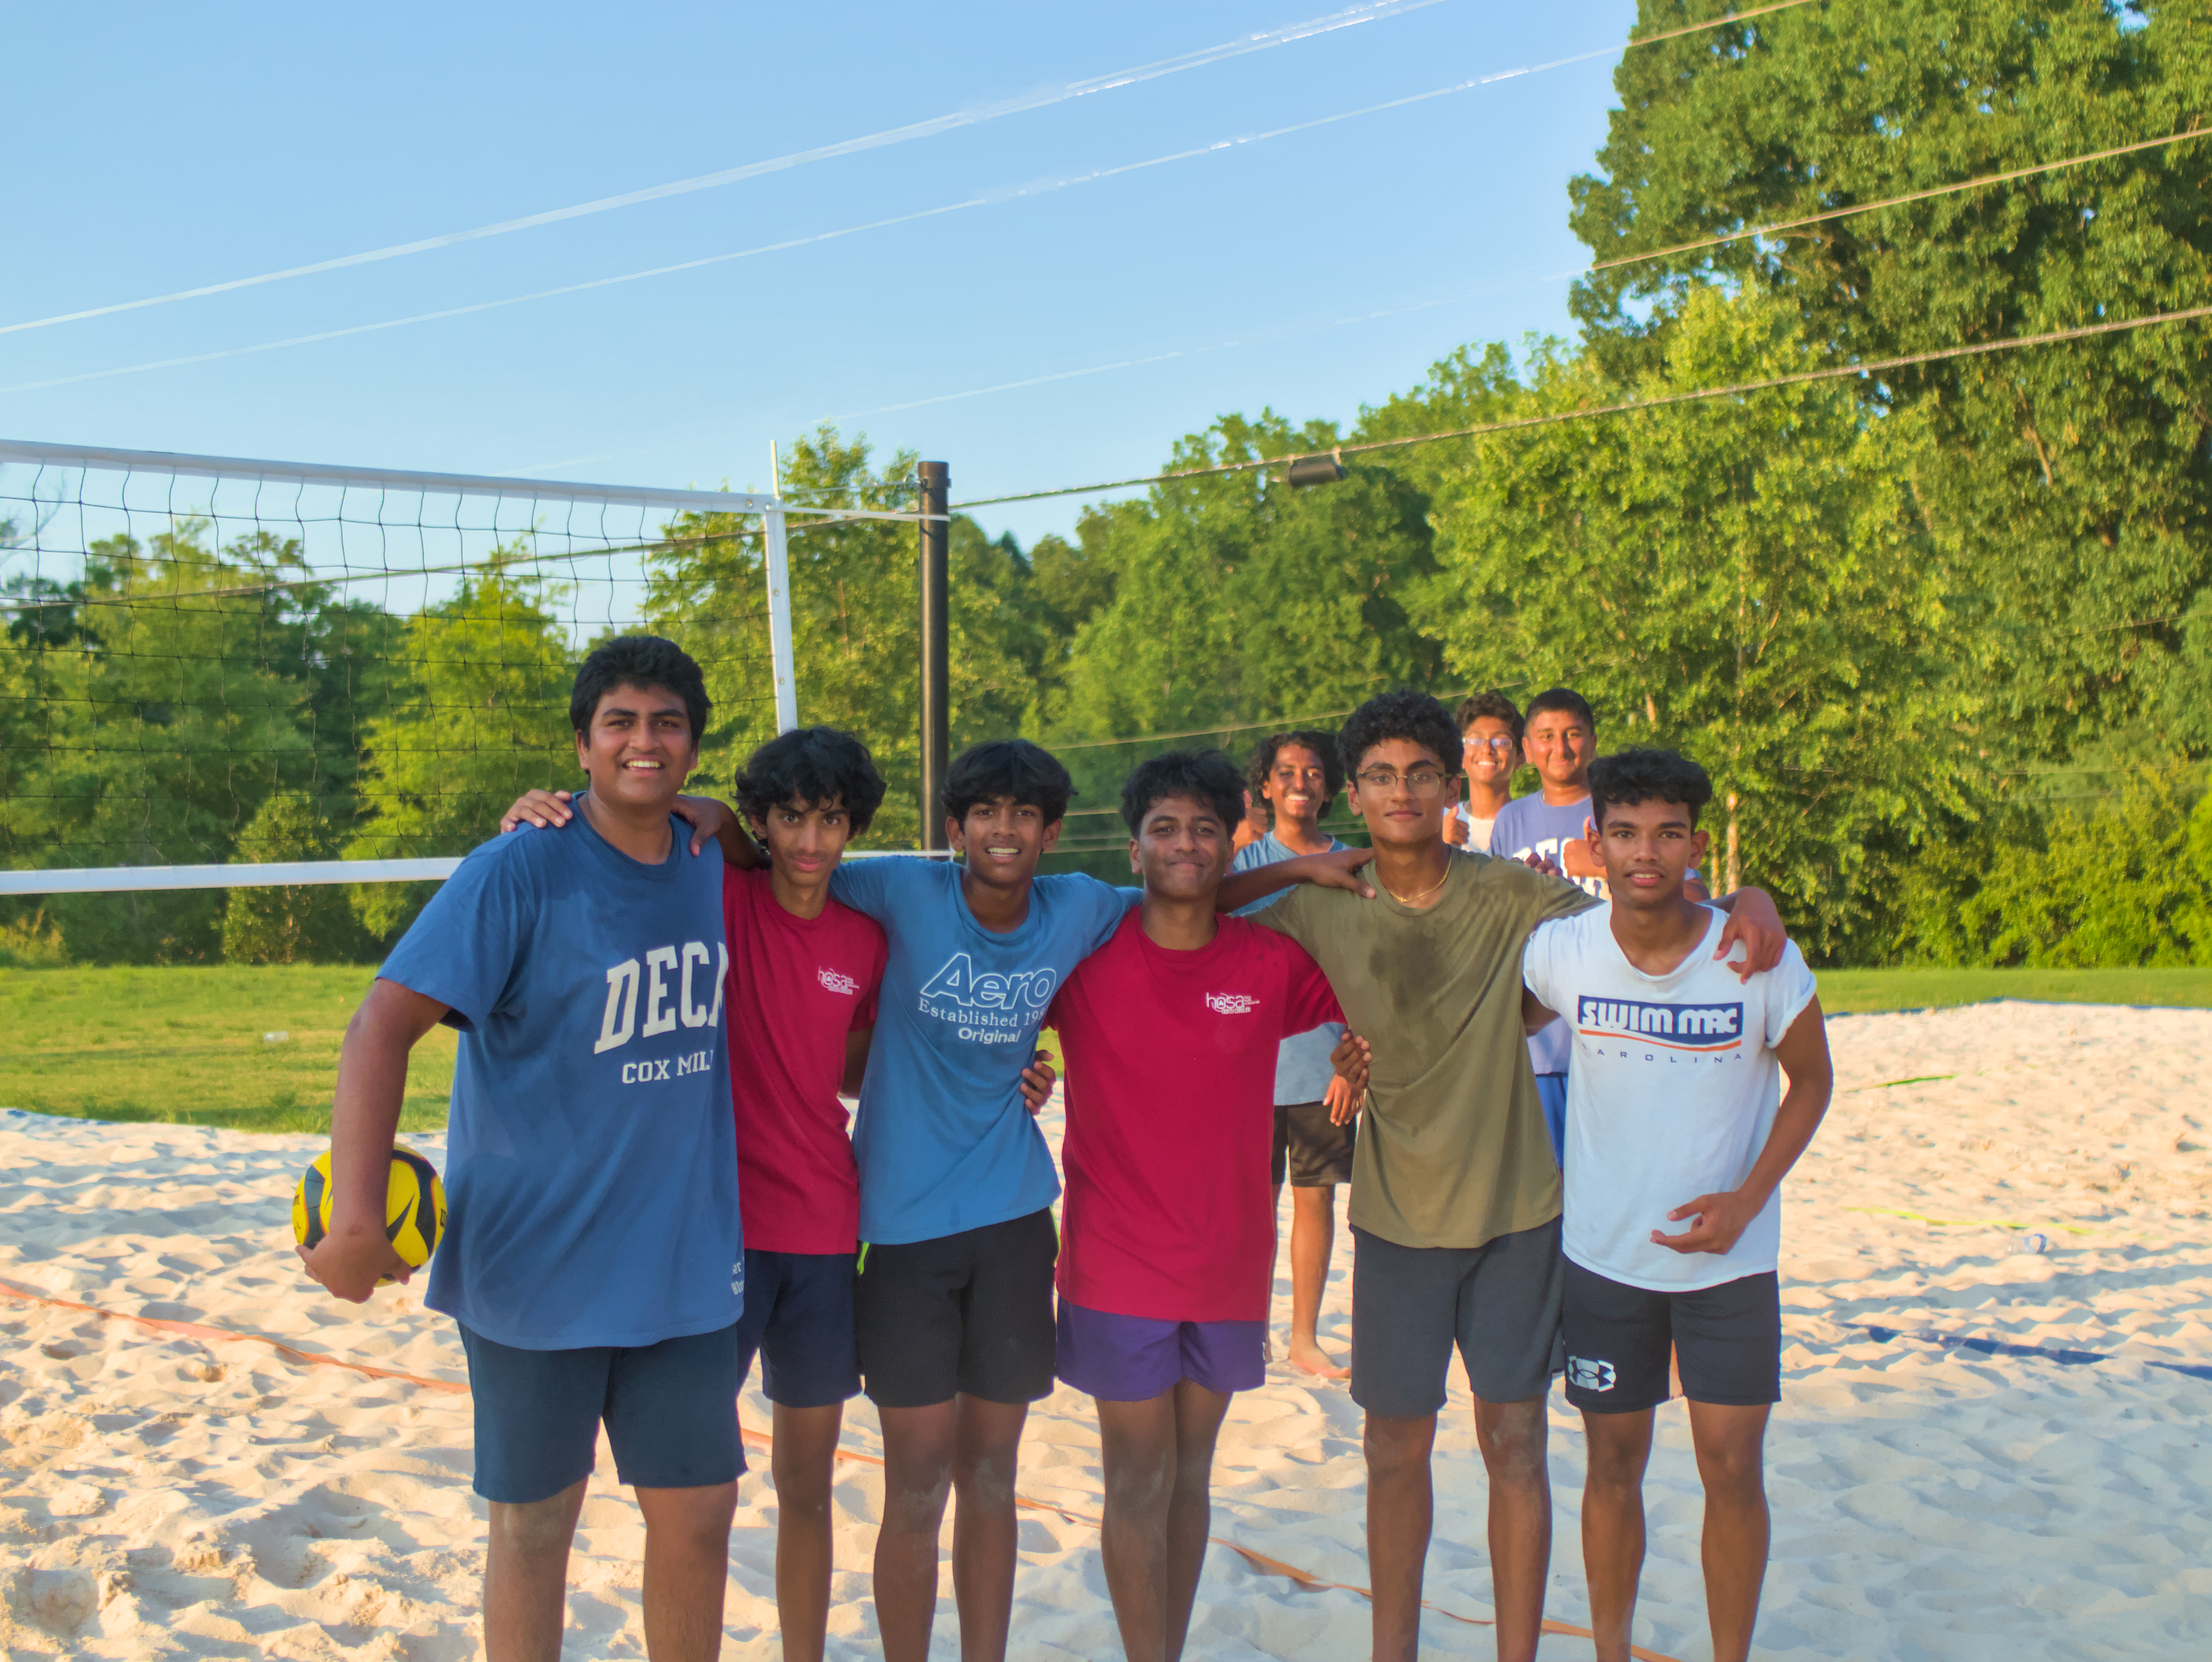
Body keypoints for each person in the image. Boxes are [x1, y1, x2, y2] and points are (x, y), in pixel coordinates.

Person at [668, 738, 1366, 1662]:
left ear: (1047, 830)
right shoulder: (896, 888)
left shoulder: (1076, 909)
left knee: (990, 1475)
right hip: (899, 1231)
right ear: (954, 828)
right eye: (984, 812)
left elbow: (1181, 892)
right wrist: (720, 820)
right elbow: (793, 853)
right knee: (914, 1485)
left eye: (1024, 813)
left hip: (1012, 1224)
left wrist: (1301, 866)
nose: (1004, 828)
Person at [1240, 689, 1790, 1662]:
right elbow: (1184, 900)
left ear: (1450, 785)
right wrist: (1297, 861)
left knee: (1514, 1448)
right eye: (1377, 775)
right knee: (1391, 1451)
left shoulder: (1510, 892)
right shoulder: (1319, 903)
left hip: (1515, 1218)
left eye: (1419, 772)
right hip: (1396, 1220)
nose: (1400, 790)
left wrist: (1747, 900)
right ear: (1353, 794)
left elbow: (1644, 909)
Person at [497, 731, 1058, 1662]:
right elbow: (639, 826)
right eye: (791, 816)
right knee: (684, 1492)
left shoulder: (864, 934)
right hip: (715, 1231)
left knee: (805, 1482)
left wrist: (1010, 1073)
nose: (810, 838)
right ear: (760, 820)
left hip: (827, 1234)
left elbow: (865, 1062)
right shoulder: (718, 892)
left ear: (852, 828)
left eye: (830, 818)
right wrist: (540, 812)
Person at [300, 636, 744, 1662]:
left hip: (681, 1262)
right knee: (538, 1524)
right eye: (620, 722)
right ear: (581, 745)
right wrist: (358, 1220)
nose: (645, 741)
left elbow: (751, 834)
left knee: (699, 1514)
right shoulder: (517, 868)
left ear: (693, 747)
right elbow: (379, 1024)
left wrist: (716, 814)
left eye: (667, 722)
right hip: (534, 1267)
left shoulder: (706, 853)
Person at [1519, 748, 1831, 1662]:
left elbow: (1810, 1082)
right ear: (1594, 842)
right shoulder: (1562, 950)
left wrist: (1746, 1197)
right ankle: (1610, 1649)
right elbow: (1491, 1027)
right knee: (1612, 1468)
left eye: (1665, 832)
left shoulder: (1756, 951)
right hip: (1605, 1257)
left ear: (1696, 844)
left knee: (1732, 1468)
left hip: (1729, 1261)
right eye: (1623, 832)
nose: (1643, 851)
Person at [1045, 749, 1348, 1662]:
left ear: (1231, 842)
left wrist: (1356, 1055)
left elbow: (1382, 1001)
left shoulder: (1272, 961)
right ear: (1133, 849)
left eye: (1205, 828)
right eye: (1165, 828)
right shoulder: (1087, 956)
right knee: (1137, 1479)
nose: (1185, 843)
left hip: (1227, 1262)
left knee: (1190, 1478)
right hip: (1115, 1262)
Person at [1491, 687, 1707, 1163]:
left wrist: (1598, 869)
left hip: (1621, 1035)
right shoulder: (1511, 819)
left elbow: (1695, 898)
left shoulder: (1623, 807)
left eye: (1573, 734)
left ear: (1593, 741)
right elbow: (1493, 923)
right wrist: (1536, 896)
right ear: (1527, 749)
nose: (1561, 748)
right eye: (1546, 736)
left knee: (1621, 1178)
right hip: (1539, 1043)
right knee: (1548, 1200)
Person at [1229, 730, 1355, 1378]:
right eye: (1286, 772)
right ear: (1266, 787)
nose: (1300, 781)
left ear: (1329, 786)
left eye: (1312, 772)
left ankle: (1304, 1336)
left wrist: (1354, 1056)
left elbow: (1371, 971)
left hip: (1322, 1066)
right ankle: (1250, 1330)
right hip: (1248, 1069)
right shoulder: (1239, 867)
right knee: (1251, 1204)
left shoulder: (1357, 864)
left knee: (1315, 1199)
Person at [1442, 690, 1522, 853]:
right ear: (1460, 756)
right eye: (1474, 741)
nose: (1487, 749)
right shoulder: (1439, 823)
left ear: (1520, 757)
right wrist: (1438, 847)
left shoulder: (1531, 823)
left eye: (1501, 741)